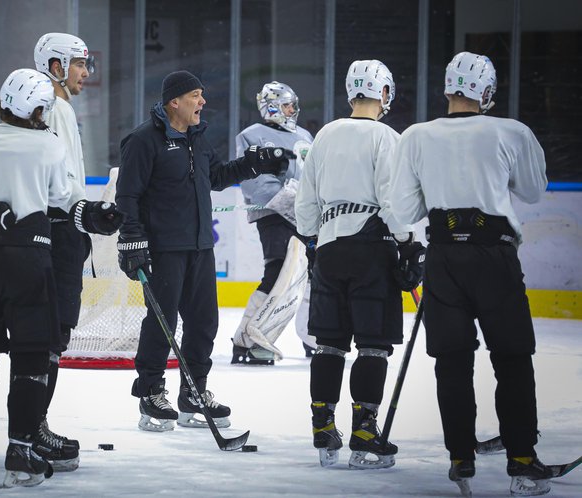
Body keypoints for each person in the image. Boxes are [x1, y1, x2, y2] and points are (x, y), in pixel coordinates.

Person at [389, 51, 551, 497]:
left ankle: (461, 457)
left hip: (443, 257)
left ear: (447, 88)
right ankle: (521, 461)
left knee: (452, 362)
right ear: (489, 91)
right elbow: (534, 191)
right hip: (493, 258)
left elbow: (402, 209)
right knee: (513, 358)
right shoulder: (511, 131)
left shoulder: (416, 136)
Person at [0, 68, 122, 488]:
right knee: (30, 358)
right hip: (27, 257)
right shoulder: (46, 145)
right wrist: (97, 216)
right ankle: (21, 450)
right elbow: (63, 200)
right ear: (38, 107)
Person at [116, 70, 293, 432]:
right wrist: (131, 239)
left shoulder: (196, 138)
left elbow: (216, 176)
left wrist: (253, 164)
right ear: (174, 101)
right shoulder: (143, 140)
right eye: (196, 95)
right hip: (163, 249)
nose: (203, 102)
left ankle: (193, 392)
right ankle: (151, 392)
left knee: (204, 323)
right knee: (163, 323)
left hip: (199, 246)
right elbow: (127, 196)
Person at [295, 60, 425, 469]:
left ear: (351, 93)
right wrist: (408, 244)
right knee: (372, 344)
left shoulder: (325, 135)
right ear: (384, 93)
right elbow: (394, 199)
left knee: (329, 342)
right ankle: (365, 431)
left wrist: (315, 240)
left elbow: (305, 202)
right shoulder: (388, 137)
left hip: (330, 249)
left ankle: (323, 425)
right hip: (373, 248)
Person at [32, 32, 95, 470]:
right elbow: (61, 184)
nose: (85, 74)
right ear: (54, 65)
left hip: (55, 229)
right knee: (50, 334)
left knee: (50, 335)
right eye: (78, 64)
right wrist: (84, 211)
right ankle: (34, 430)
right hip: (57, 231)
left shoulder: (56, 109)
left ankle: (34, 427)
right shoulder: (55, 109)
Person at [231, 81, 316, 366]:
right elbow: (256, 183)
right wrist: (290, 200)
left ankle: (313, 338)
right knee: (279, 272)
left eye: (293, 105)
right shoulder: (251, 136)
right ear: (272, 106)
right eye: (287, 105)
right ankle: (247, 339)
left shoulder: (305, 135)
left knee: (312, 275)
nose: (293, 110)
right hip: (274, 216)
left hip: (306, 217)